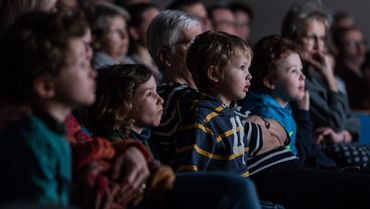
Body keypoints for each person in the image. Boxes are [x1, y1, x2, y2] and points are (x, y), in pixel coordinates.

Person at [179, 30, 370, 209]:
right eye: (242, 68)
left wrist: (266, 127)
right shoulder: (203, 115)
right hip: (272, 176)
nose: (249, 76)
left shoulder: (231, 110)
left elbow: (279, 136)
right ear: (214, 74)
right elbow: (192, 174)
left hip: (285, 168)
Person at [84, 64, 262, 209]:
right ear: (123, 103)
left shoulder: (147, 138)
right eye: (149, 94)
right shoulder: (114, 146)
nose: (160, 99)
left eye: (157, 91)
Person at [0, 11, 96, 206]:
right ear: (46, 86)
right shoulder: (30, 142)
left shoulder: (55, 134)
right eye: (81, 64)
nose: (93, 73)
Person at [281, 1, 370, 168]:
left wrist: (343, 136)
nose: (319, 46)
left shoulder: (317, 77)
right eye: (311, 38)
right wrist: (330, 76)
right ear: (292, 38)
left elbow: (352, 121)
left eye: (322, 38)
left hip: (339, 151)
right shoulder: (295, 81)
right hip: (318, 160)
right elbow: (335, 123)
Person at [238, 35, 311, 161]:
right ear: (270, 80)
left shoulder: (281, 104)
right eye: (294, 71)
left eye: (301, 69)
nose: (302, 77)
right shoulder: (267, 115)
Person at [332, 26, 370, 109]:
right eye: (352, 44)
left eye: (362, 42)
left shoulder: (365, 70)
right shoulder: (337, 77)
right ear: (338, 48)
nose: (360, 48)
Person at [88, 2, 134, 69]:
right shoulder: (98, 70)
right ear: (97, 40)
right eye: (115, 31)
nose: (124, 36)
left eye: (125, 29)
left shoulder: (130, 61)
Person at [127, 3, 161, 80]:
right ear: (135, 32)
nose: (161, 29)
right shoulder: (130, 69)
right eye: (154, 23)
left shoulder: (162, 63)